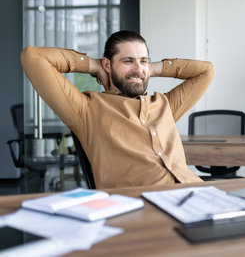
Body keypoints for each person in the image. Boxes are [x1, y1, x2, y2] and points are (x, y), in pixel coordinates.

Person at [20, 30, 215, 188]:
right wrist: (95, 66)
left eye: (143, 60)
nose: (138, 69)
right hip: (142, 209)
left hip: (194, 192)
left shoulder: (165, 104)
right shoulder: (86, 109)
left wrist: (149, 69)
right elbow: (33, 56)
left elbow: (206, 70)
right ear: (108, 64)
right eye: (127, 61)